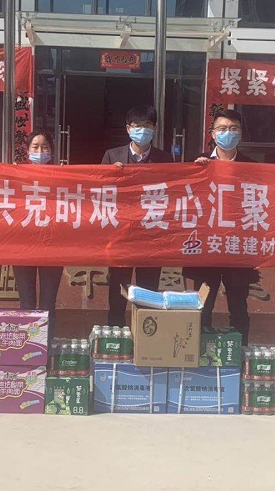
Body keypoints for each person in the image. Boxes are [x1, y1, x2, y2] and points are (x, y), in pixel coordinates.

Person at [183, 108, 259, 344]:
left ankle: (241, 352)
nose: (228, 133)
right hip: (208, 246)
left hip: (238, 246)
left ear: (241, 134)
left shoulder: (252, 167)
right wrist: (197, 174)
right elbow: (185, 199)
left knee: (238, 306)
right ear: (213, 134)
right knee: (203, 305)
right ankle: (198, 354)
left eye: (233, 129)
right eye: (223, 129)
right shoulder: (198, 163)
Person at [101, 105, 173, 326]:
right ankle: (115, 328)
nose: (142, 130)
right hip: (121, 234)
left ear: (155, 128)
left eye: (147, 125)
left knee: (148, 289)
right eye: (137, 125)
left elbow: (174, 193)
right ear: (128, 129)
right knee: (118, 285)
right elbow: (100, 193)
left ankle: (145, 331)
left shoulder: (165, 159)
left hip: (152, 234)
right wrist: (111, 176)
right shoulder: (112, 156)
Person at [13, 131, 64, 335]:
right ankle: (27, 346)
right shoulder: (16, 175)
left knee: (48, 303)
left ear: (52, 151)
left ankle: (46, 346)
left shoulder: (62, 177)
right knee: (26, 302)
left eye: (45, 147)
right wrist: (10, 175)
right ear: (27, 151)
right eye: (35, 147)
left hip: (53, 246)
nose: (40, 151)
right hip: (23, 246)